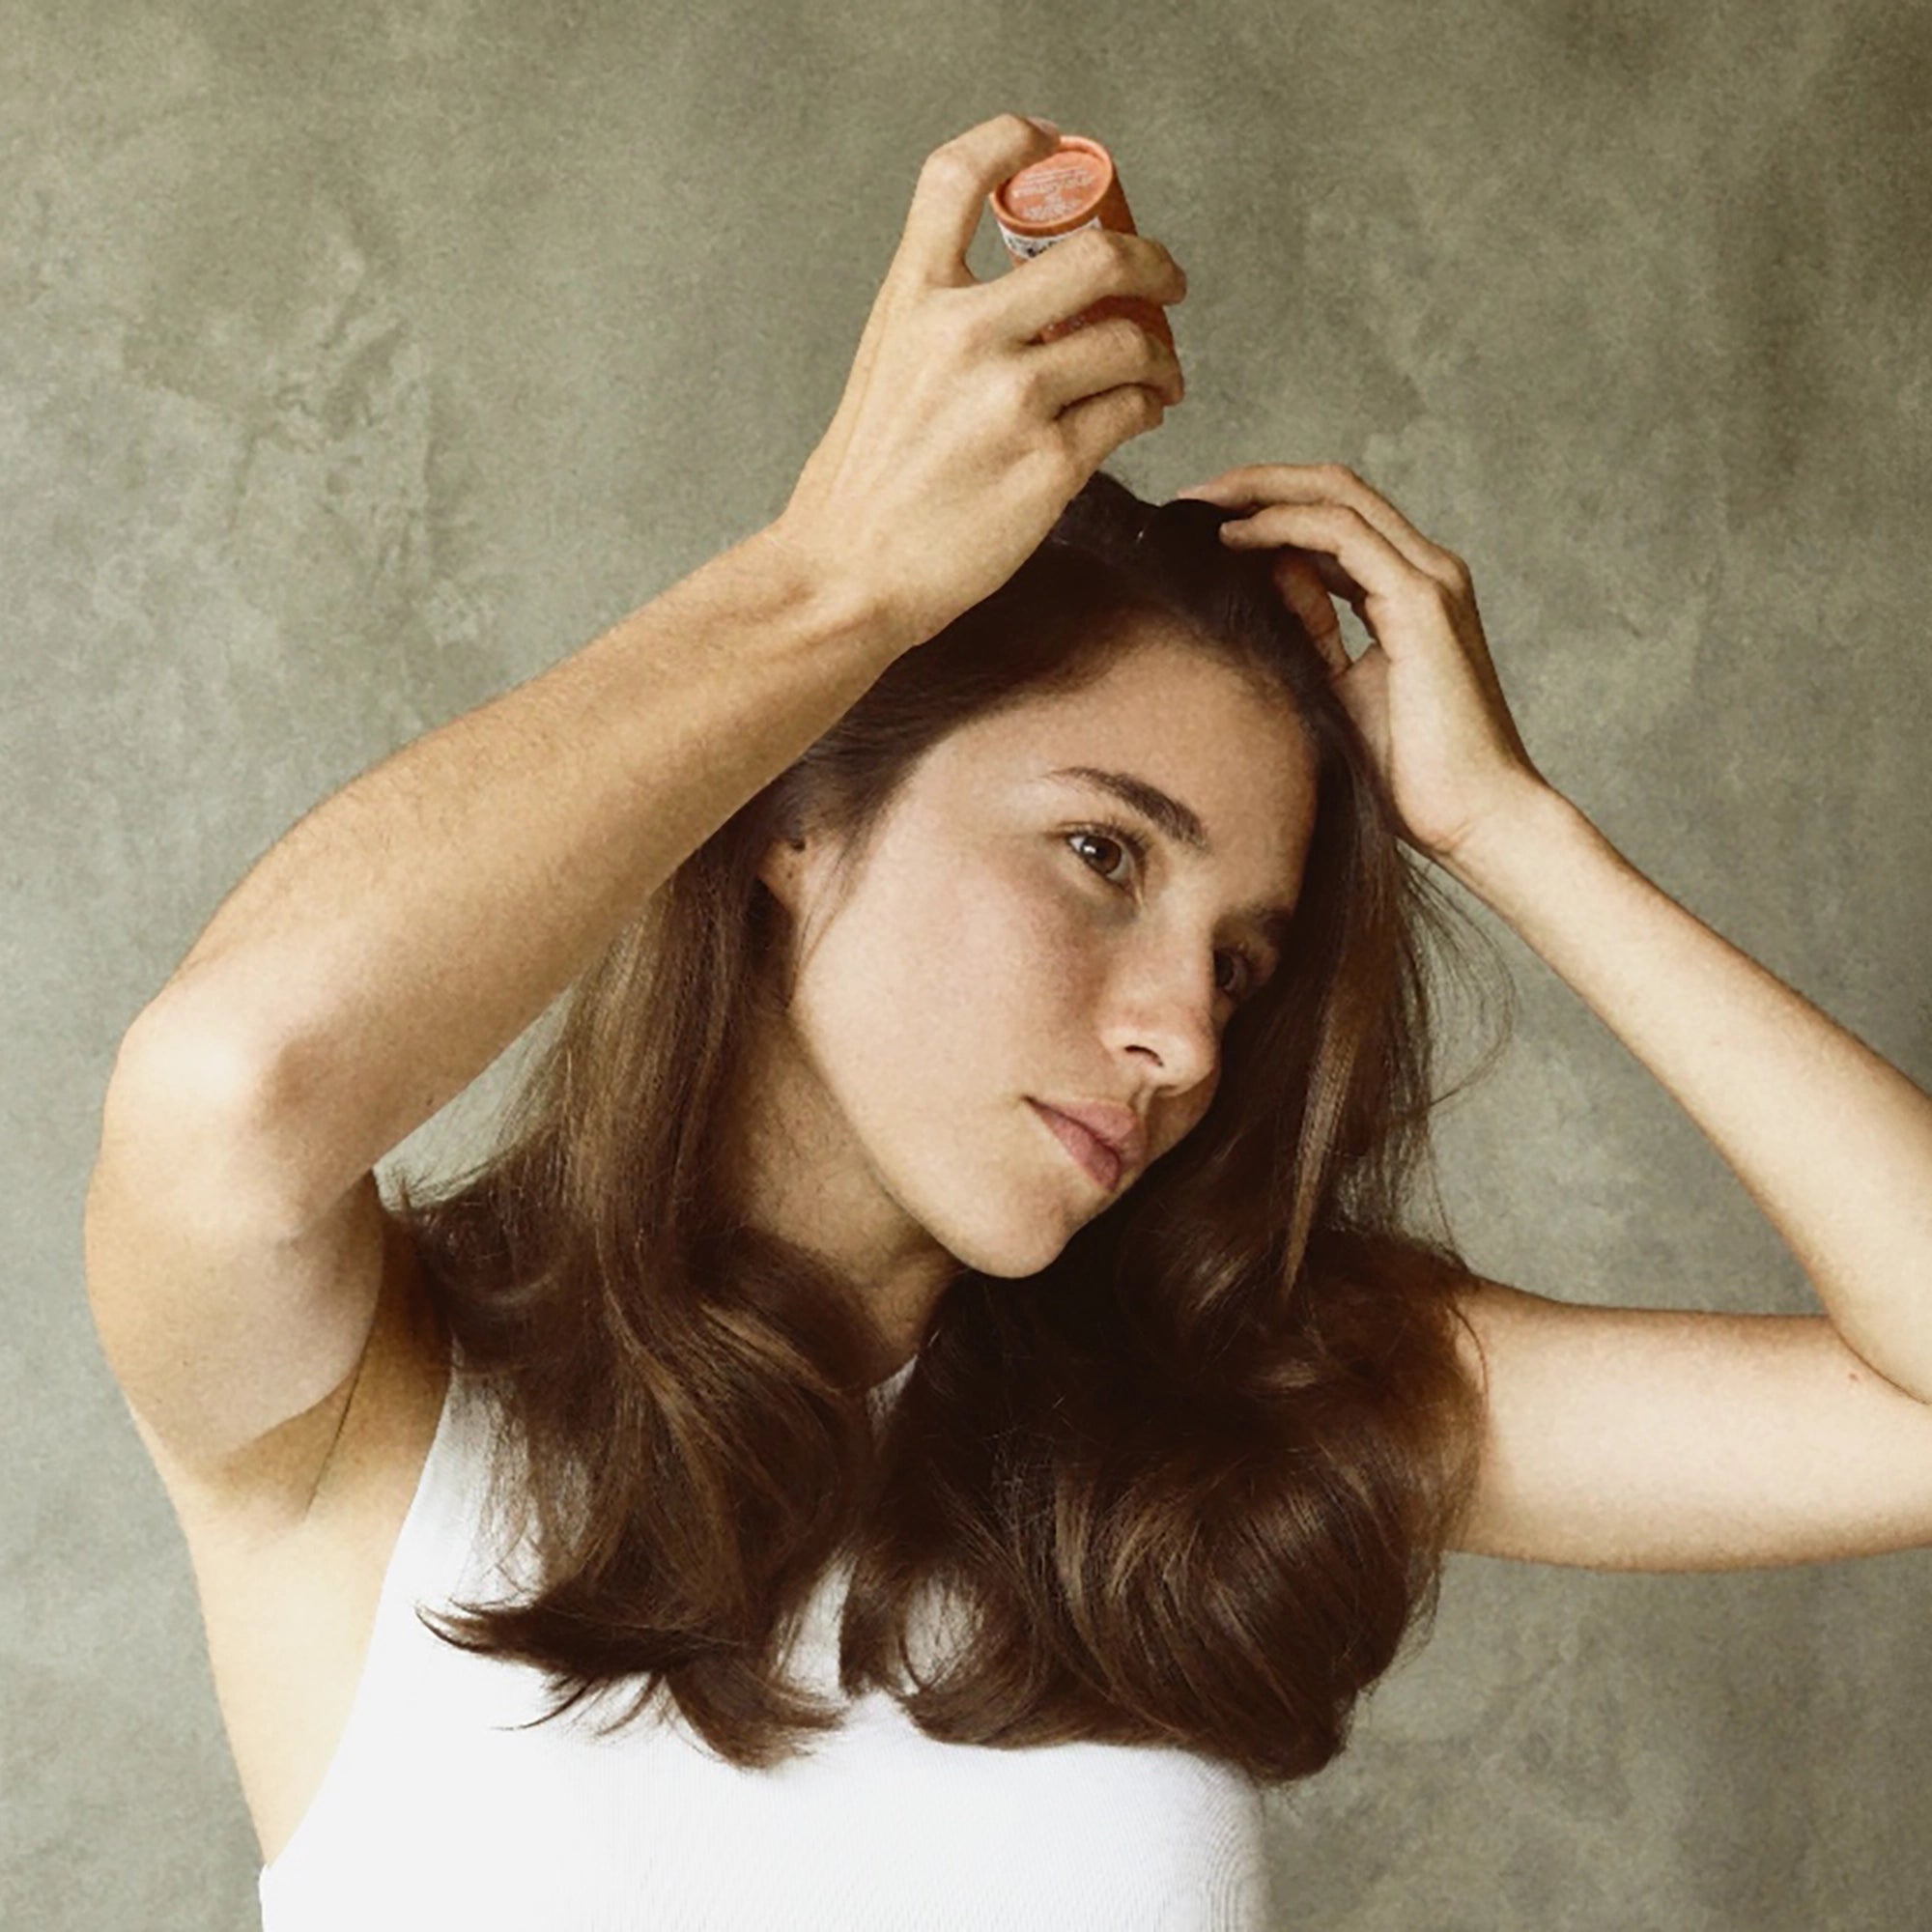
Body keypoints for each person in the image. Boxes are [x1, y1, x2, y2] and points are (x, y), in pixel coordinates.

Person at [84, 111, 1932, 1930]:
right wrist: (830, 582)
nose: (1184, 1040)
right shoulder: (358, 1400)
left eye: (1241, 961)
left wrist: (1514, 833)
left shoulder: (1229, 1410)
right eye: (1102, 854)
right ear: (800, 817)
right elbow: (233, 1089)